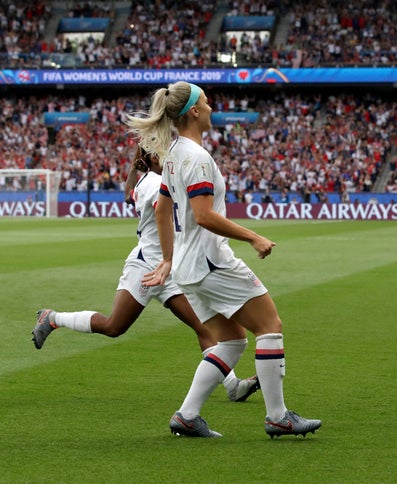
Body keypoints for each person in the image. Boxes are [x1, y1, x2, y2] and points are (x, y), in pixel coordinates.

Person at [126, 81, 321, 438]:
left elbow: (163, 210)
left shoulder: (173, 156)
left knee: (232, 341)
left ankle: (187, 415)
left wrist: (169, 260)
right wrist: (253, 236)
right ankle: (278, 417)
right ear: (195, 112)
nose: (213, 107)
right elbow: (202, 215)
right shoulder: (197, 158)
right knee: (269, 324)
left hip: (188, 268)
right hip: (210, 261)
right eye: (208, 102)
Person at [32, 146, 260, 404]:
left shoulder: (153, 179)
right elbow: (163, 211)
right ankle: (52, 318)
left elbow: (129, 197)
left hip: (169, 267)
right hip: (147, 266)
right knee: (113, 326)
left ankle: (232, 387)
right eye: (163, 152)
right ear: (152, 158)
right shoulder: (154, 182)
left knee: (202, 325)